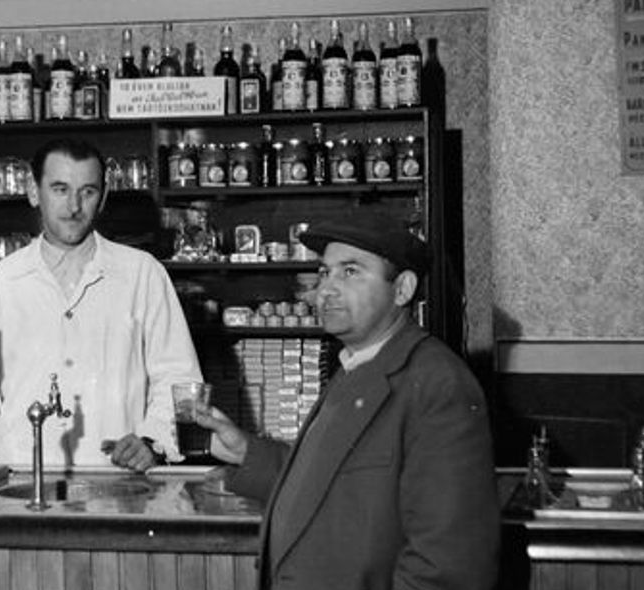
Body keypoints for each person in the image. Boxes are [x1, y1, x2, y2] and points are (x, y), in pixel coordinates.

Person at [193, 219, 500, 590]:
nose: (326, 289)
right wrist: (246, 451)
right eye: (325, 272)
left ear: (402, 289)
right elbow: (331, 482)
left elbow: (449, 568)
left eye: (350, 272)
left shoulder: (437, 384)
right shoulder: (356, 366)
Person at [0, 138, 203, 472]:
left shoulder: (142, 274)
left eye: (87, 191)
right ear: (34, 192)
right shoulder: (1, 282)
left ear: (102, 198)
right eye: (60, 189)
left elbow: (179, 379)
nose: (73, 206)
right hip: (22, 480)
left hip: (120, 480)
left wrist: (154, 442)